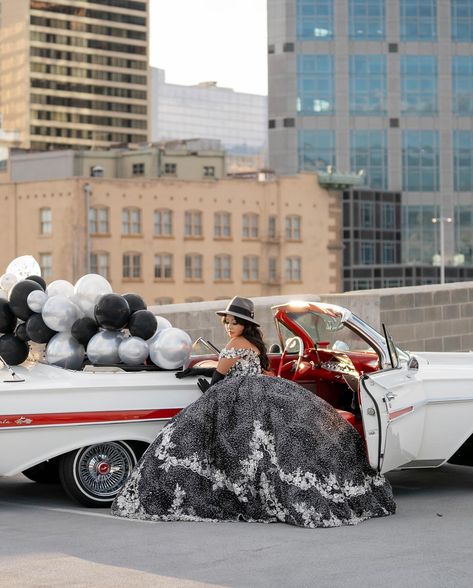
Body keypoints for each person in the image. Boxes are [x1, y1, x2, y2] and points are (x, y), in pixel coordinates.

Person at [111, 296, 395, 528]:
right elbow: (252, 369)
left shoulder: (234, 345)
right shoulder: (254, 346)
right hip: (263, 390)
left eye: (233, 323)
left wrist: (199, 378)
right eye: (227, 322)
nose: (229, 327)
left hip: (236, 394)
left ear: (244, 325)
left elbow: (219, 378)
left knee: (188, 434)